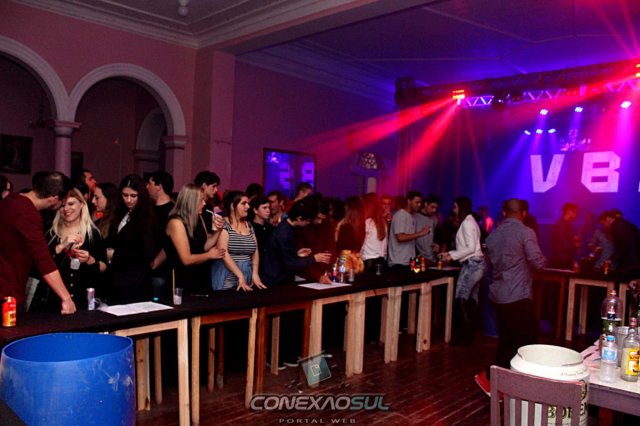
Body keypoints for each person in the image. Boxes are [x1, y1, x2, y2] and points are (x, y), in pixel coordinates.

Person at [475, 198, 546, 395]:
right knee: (527, 342)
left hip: (498, 295)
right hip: (518, 295)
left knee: (507, 340)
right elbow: (537, 261)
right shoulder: (526, 232)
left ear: (504, 213)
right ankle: (498, 379)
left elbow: (488, 264)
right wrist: (543, 262)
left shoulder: (492, 235)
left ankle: (498, 384)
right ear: (524, 213)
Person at [0, 171, 76, 314]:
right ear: (54, 199)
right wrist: (66, 298)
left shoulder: (11, 200)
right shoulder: (27, 213)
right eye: (63, 202)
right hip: (7, 292)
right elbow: (43, 259)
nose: (63, 206)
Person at [35, 189, 107, 310]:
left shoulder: (93, 234)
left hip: (84, 301)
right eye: (62, 205)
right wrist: (61, 246)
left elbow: (104, 267)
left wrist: (89, 259)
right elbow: (38, 266)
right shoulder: (50, 233)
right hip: (53, 302)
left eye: (71, 204)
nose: (66, 209)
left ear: (82, 204)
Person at [440, 196, 486, 346]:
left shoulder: (467, 222)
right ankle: (469, 335)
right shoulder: (471, 221)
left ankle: (465, 336)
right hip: (477, 263)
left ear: (461, 207)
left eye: (455, 207)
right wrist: (449, 253)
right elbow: (471, 247)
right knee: (472, 299)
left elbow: (470, 248)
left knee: (461, 296)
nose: (454, 210)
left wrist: (451, 256)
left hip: (472, 264)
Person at [164, 184, 225, 295]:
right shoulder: (176, 222)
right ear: (191, 202)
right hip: (182, 279)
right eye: (201, 200)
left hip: (200, 275)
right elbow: (186, 259)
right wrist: (209, 255)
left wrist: (218, 231)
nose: (204, 203)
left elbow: (204, 246)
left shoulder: (198, 217)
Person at [107, 174, 157, 304]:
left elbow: (147, 254)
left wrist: (115, 255)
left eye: (133, 196)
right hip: (118, 279)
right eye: (125, 195)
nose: (129, 200)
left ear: (141, 196)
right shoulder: (120, 214)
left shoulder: (146, 219)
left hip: (136, 282)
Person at [262, 199, 332, 286]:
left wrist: (297, 254)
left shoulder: (288, 227)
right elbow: (290, 264)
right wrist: (314, 258)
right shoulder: (284, 233)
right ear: (299, 218)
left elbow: (283, 255)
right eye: (307, 220)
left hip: (279, 279)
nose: (308, 223)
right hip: (275, 281)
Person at [211, 191, 266, 291]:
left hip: (246, 273)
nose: (248, 206)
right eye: (244, 203)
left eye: (248, 203)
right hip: (228, 274)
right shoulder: (223, 224)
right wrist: (240, 275)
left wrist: (255, 273)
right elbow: (223, 253)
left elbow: (255, 250)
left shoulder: (249, 225)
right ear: (233, 206)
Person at [147, 171, 175, 298]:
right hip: (146, 271)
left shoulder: (173, 211)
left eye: (150, 183)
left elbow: (171, 242)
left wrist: (156, 262)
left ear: (159, 186)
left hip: (162, 271)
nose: (147, 187)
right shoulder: (148, 209)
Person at [387, 190, 429, 269]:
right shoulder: (401, 215)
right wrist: (420, 233)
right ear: (409, 201)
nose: (419, 205)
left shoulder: (411, 216)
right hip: (398, 262)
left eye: (420, 202)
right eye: (417, 202)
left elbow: (410, 237)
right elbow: (400, 237)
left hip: (408, 261)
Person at [360, 195, 387, 272]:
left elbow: (361, 243)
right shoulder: (383, 223)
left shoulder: (367, 223)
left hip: (368, 259)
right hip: (381, 259)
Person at [250, 195, 274, 276]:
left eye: (269, 208)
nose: (268, 210)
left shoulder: (271, 228)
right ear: (255, 210)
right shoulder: (248, 227)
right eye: (264, 208)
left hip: (268, 268)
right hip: (253, 267)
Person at [550, 202, 578, 269]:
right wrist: (575, 245)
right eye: (575, 212)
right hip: (561, 260)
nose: (576, 214)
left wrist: (573, 239)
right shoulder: (561, 225)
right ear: (569, 211)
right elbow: (566, 244)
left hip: (564, 258)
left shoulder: (566, 224)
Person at [415, 193, 440, 263]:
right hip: (418, 258)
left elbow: (435, 237)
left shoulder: (435, 219)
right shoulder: (415, 217)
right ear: (426, 204)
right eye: (432, 207)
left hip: (431, 258)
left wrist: (436, 245)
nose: (434, 210)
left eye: (436, 208)